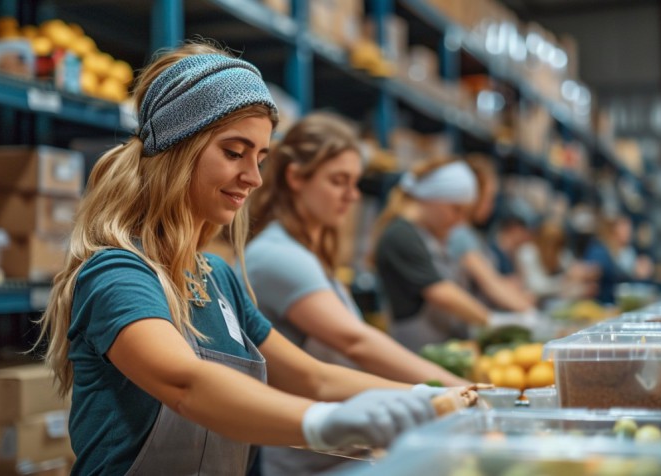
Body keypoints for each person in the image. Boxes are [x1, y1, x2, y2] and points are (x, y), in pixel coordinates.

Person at [34, 42, 440, 476]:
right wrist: (320, 423)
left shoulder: (219, 278)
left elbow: (313, 378)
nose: (254, 177)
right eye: (234, 152)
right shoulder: (117, 273)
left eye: (260, 157)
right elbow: (185, 385)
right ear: (178, 149)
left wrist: (427, 398)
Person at [246, 113, 473, 475]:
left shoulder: (310, 253)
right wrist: (454, 389)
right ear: (295, 178)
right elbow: (355, 342)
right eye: (338, 181)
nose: (352, 196)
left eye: (355, 182)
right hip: (305, 461)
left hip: (340, 453)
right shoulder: (277, 255)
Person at [372, 157, 491, 352]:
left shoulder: (427, 236)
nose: (460, 220)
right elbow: (441, 293)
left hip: (441, 351)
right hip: (417, 355)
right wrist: (492, 320)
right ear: (433, 197)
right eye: (456, 209)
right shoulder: (400, 235)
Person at [447, 156, 536, 312]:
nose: (492, 206)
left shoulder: (471, 235)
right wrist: (526, 308)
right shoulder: (460, 234)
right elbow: (490, 284)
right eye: (489, 198)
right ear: (472, 195)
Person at [515, 219, 599, 302]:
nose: (553, 248)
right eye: (550, 242)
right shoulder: (527, 253)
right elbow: (536, 287)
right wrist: (567, 279)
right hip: (536, 304)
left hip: (560, 300)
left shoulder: (561, 253)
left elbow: (574, 272)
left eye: (558, 244)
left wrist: (584, 274)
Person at [583, 214, 653, 303]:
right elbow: (595, 272)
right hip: (603, 303)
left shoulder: (629, 251)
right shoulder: (599, 249)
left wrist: (641, 276)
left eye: (630, 227)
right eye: (624, 227)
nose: (629, 231)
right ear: (613, 229)